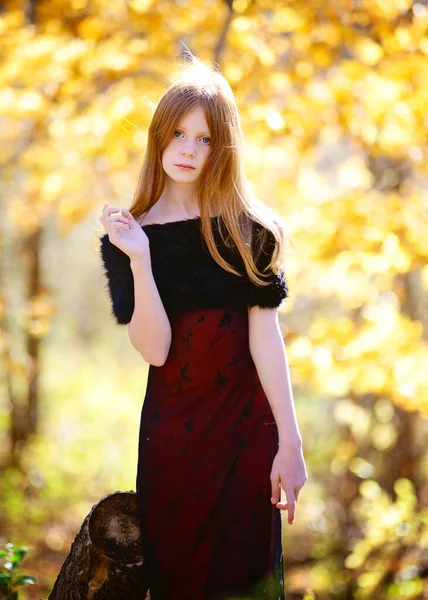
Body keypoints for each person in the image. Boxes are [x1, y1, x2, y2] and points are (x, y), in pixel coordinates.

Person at [98, 54, 307, 600]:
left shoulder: (248, 232)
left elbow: (266, 339)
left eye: (206, 139)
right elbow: (155, 351)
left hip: (247, 435)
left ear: (224, 147)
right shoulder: (130, 237)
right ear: (158, 137)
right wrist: (141, 261)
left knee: (243, 581)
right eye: (178, 133)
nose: (189, 149)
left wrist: (291, 442)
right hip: (171, 440)